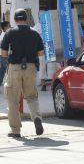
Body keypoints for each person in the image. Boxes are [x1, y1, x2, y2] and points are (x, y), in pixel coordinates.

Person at [0, 8, 44, 138]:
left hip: (14, 68)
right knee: (31, 96)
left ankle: (15, 130)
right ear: (26, 19)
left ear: (15, 19)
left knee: (13, 98)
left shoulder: (9, 33)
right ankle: (36, 117)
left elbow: (3, 53)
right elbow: (41, 53)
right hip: (30, 67)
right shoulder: (35, 33)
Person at [33, 16, 47, 91]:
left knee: (52, 66)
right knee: (42, 66)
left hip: (50, 48)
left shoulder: (49, 24)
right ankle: (43, 83)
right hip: (41, 50)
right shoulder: (36, 27)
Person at [0, 21, 10, 86]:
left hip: (3, 55)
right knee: (9, 70)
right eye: (9, 26)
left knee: (2, 71)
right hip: (4, 55)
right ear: (5, 27)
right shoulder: (4, 35)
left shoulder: (4, 34)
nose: (10, 27)